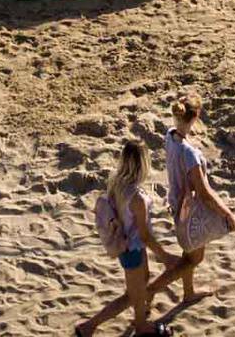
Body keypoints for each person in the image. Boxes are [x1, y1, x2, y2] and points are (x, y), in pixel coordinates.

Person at [74, 140, 179, 337]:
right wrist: (165, 257)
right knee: (131, 295)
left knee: (142, 282)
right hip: (133, 249)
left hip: (129, 245)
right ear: (143, 164)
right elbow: (146, 235)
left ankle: (141, 315)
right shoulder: (137, 198)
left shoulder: (116, 182)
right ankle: (91, 326)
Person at [160, 96, 235, 307]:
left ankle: (188, 293)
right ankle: (151, 290)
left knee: (189, 253)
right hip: (189, 209)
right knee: (193, 259)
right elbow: (203, 192)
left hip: (177, 205)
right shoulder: (190, 153)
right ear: (196, 117)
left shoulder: (169, 136)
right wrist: (227, 213)